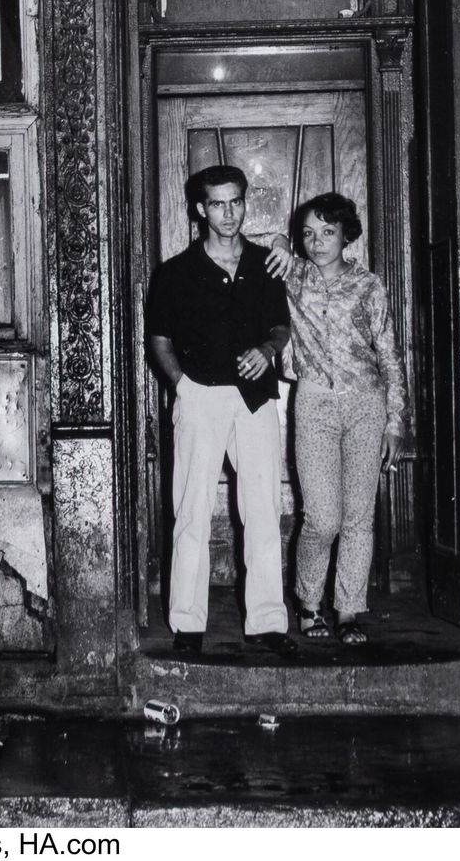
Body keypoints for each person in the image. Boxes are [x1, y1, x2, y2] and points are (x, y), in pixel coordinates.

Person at [144, 165, 297, 657]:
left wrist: (268, 351)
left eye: (236, 202)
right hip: (200, 396)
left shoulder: (265, 263)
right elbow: (160, 341)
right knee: (190, 510)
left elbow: (280, 326)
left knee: (263, 509)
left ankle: (268, 622)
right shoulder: (176, 272)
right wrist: (182, 386)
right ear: (200, 209)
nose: (229, 213)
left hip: (255, 399)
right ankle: (187, 622)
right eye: (218, 204)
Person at [265, 193, 408, 645]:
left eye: (327, 232)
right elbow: (250, 247)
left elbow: (389, 355)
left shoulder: (369, 286)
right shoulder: (292, 277)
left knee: (358, 517)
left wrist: (396, 422)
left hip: (367, 404)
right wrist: (279, 241)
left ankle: (348, 610)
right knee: (323, 517)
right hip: (314, 404)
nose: (318, 241)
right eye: (308, 233)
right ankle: (308, 603)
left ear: (346, 234)